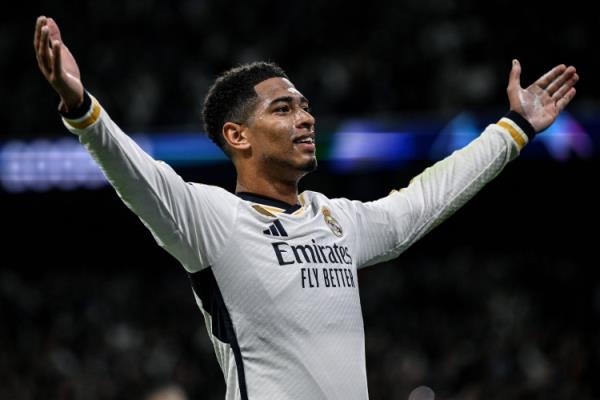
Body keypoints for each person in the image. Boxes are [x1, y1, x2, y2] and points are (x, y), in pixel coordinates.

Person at [33, 15, 578, 400]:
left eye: (305, 106)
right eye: (284, 109)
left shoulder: (337, 221)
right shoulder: (212, 221)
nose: (306, 118)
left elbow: (427, 197)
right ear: (237, 135)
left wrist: (514, 128)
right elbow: (136, 174)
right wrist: (81, 107)